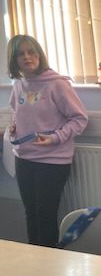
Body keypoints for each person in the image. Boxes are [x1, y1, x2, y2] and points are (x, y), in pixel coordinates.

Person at [7, 34, 88, 247]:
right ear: (14, 60)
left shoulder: (57, 84)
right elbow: (16, 112)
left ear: (39, 55)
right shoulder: (18, 84)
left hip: (52, 161)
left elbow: (79, 119)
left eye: (31, 52)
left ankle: (49, 261)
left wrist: (54, 138)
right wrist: (14, 127)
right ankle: (35, 260)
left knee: (45, 216)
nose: (27, 57)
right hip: (24, 159)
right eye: (21, 54)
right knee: (31, 214)